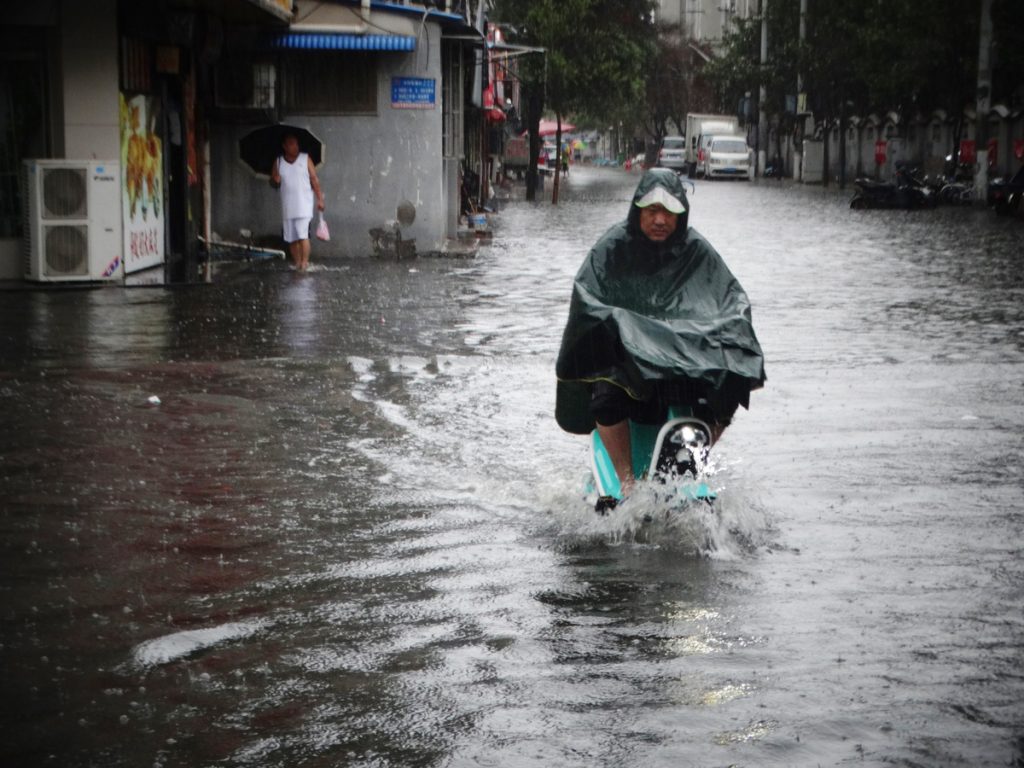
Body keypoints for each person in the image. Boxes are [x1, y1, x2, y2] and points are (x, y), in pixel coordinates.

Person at [555, 168, 766, 496]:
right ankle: (625, 482)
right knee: (607, 382)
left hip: (679, 362)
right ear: (638, 211)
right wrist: (626, 330)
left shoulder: (696, 251)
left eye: (668, 212)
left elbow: (730, 301)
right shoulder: (612, 248)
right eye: (652, 211)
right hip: (629, 366)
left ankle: (695, 456)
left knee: (735, 375)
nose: (659, 220)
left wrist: (731, 335)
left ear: (680, 217)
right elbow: (588, 300)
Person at [270, 134, 325, 271]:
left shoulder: (305, 159)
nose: (295, 146)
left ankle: (304, 263)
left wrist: (320, 199)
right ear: (284, 146)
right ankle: (297, 263)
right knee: (291, 238)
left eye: (296, 143)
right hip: (288, 207)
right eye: (291, 144)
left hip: (304, 205)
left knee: (303, 235)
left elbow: (314, 180)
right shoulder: (278, 162)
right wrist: (275, 180)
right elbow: (273, 182)